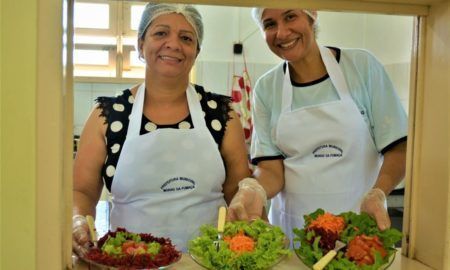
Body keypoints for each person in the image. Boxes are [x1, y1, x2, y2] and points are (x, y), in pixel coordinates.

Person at [72, 2, 250, 255]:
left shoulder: (221, 114)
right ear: (141, 45)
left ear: (196, 51)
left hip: (210, 259)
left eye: (186, 38)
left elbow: (237, 190)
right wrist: (77, 219)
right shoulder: (107, 116)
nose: (173, 44)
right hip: (131, 259)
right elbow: (82, 191)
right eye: (160, 33)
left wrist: (249, 209)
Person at [227, 8, 408, 243]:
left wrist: (379, 193)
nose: (281, 32)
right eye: (269, 24)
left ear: (312, 15)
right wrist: (255, 189)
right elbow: (271, 169)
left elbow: (400, 148)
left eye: (291, 16)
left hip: (358, 231)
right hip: (292, 232)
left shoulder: (361, 67)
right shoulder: (267, 87)